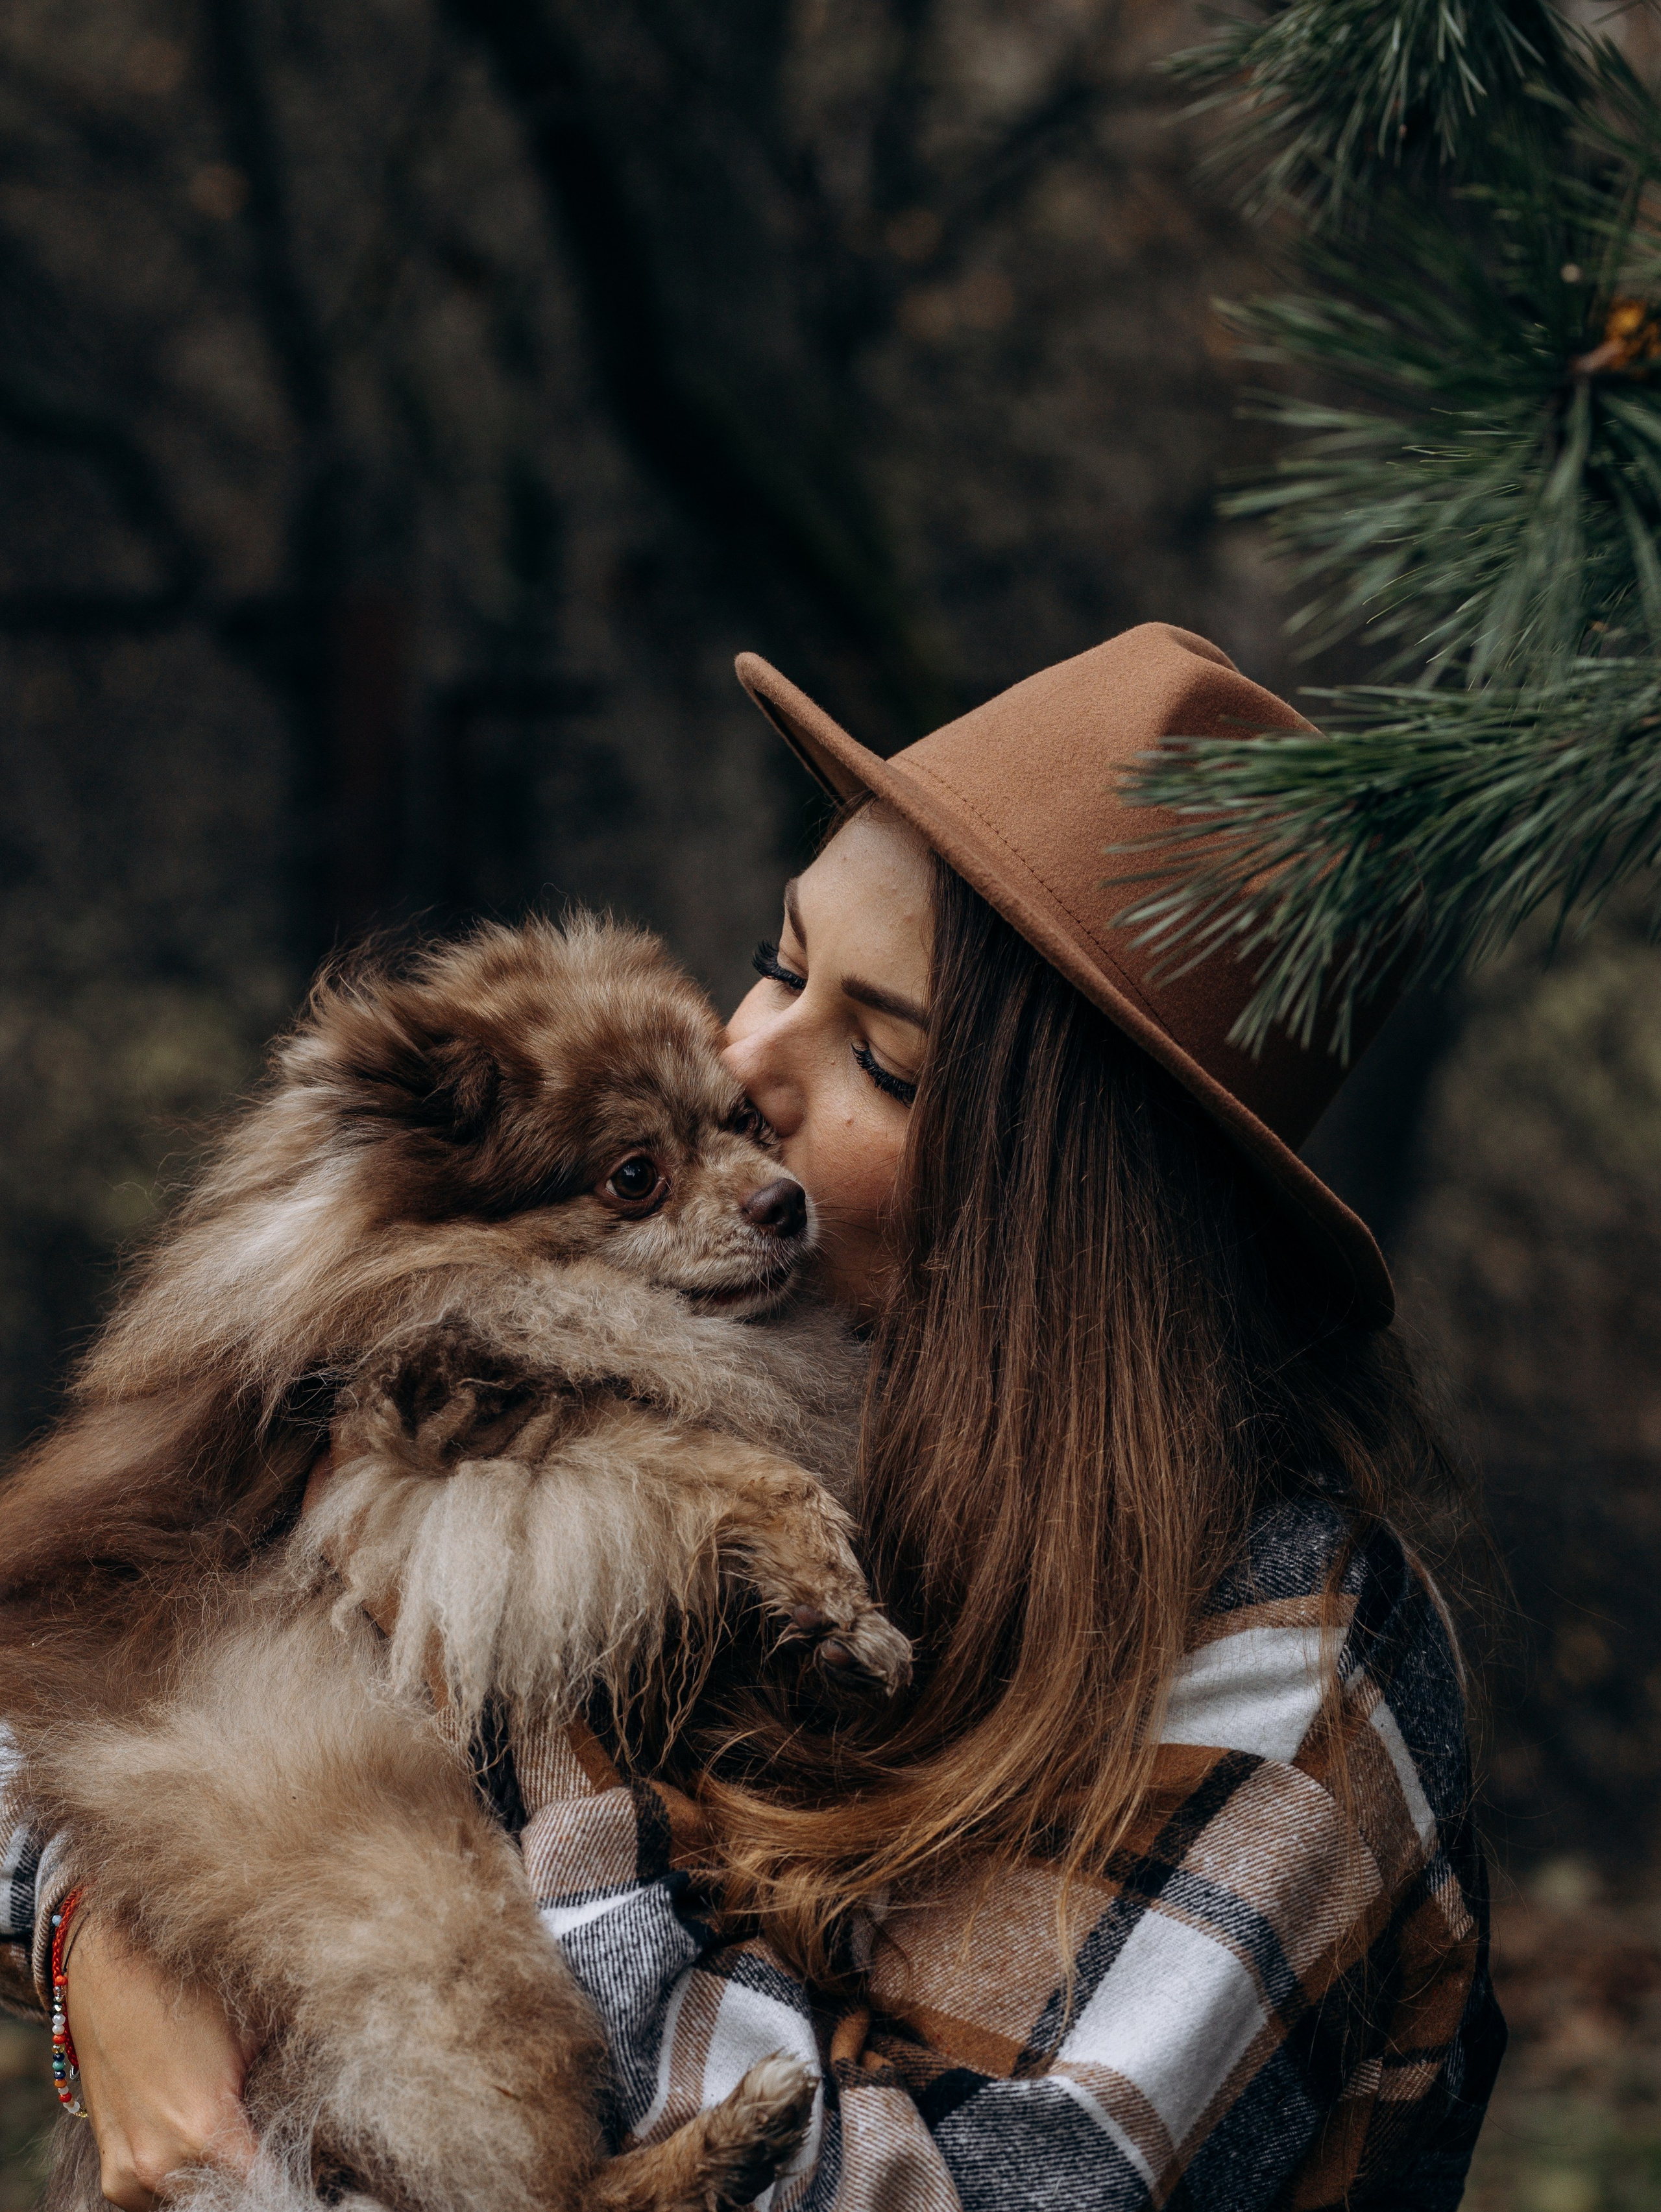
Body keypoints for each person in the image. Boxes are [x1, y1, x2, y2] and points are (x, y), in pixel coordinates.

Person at [3, 624, 1504, 2209]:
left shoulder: (1284, 1665)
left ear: (1069, 1213)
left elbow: (956, 2186)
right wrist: (97, 1932)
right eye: (782, 961)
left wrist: (507, 1665)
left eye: (878, 1057)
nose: (744, 1064)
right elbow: (68, 1677)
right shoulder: (717, 1414)